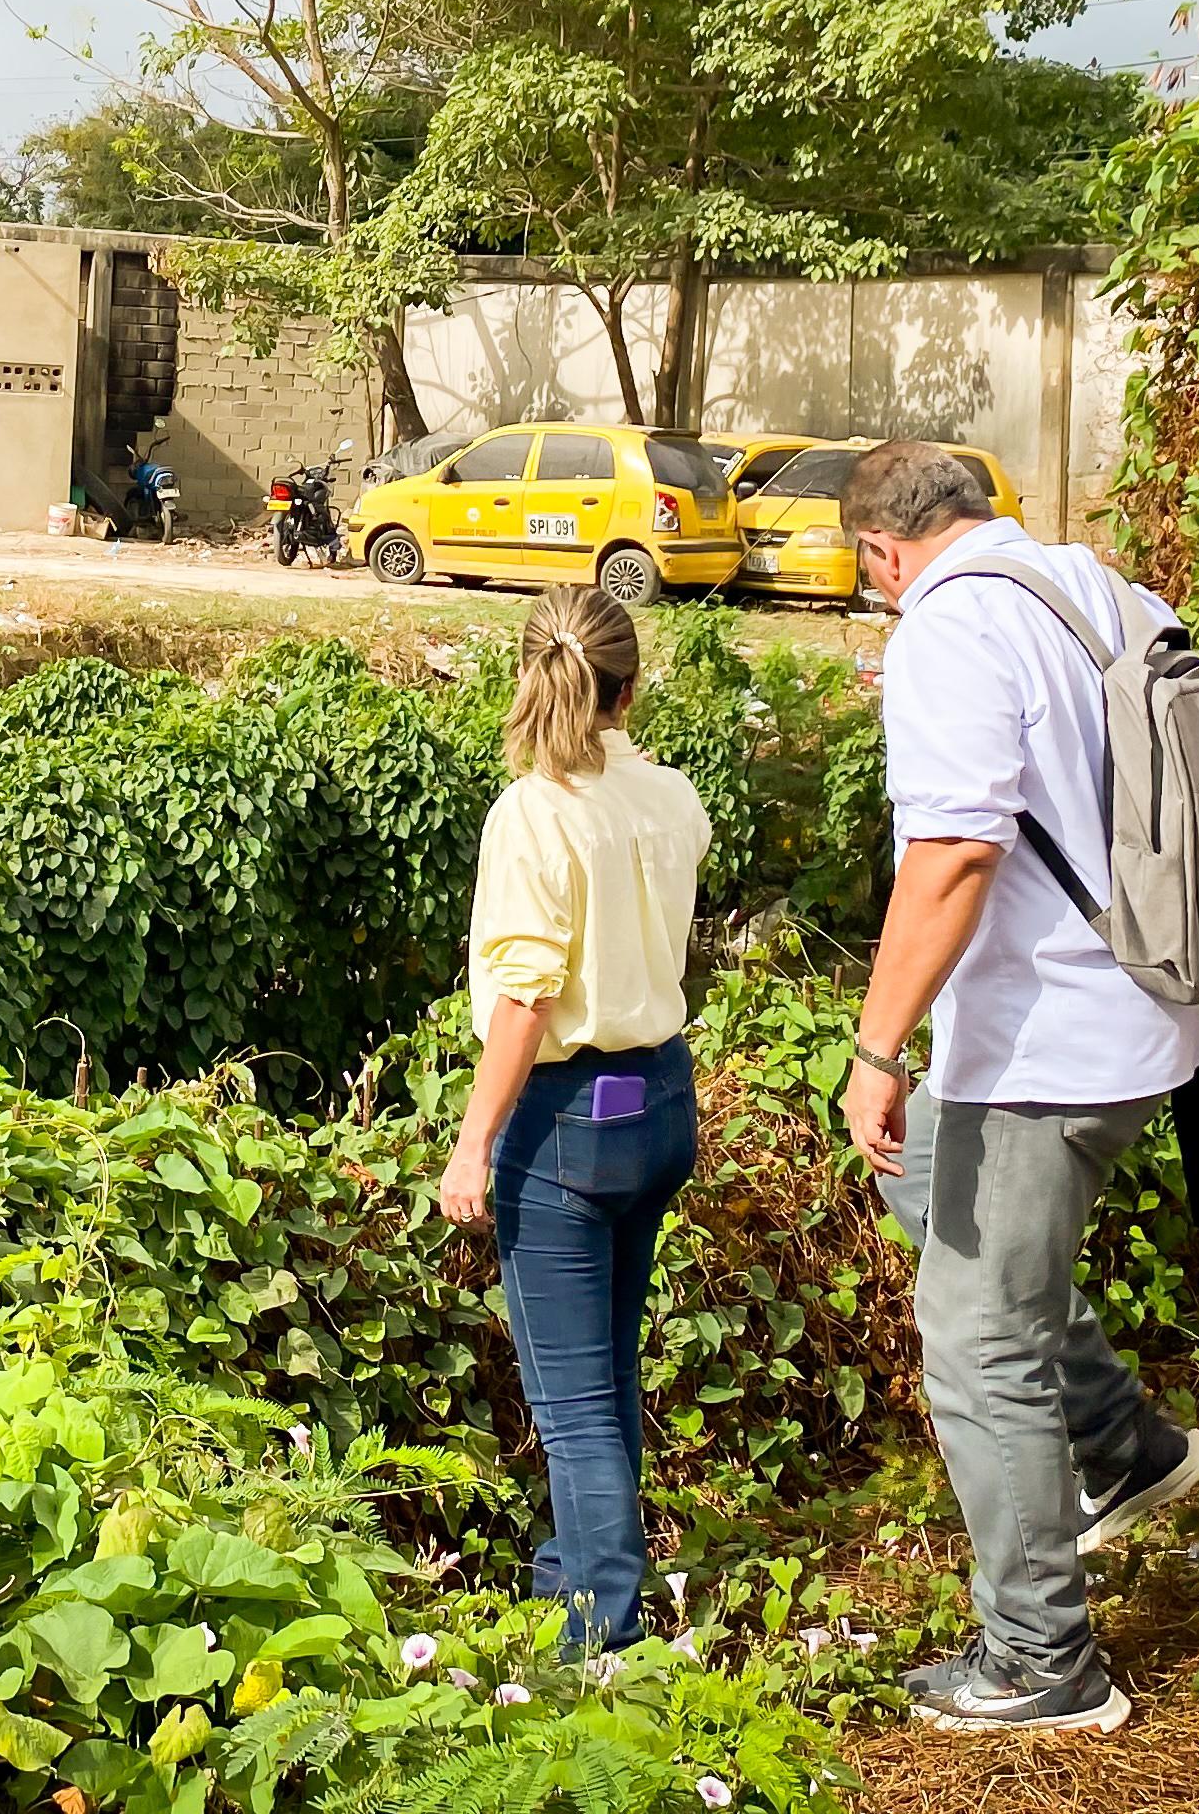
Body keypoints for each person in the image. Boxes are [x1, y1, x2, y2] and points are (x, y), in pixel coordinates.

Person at [835, 441, 1199, 1736]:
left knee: (978, 1337)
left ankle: (1043, 1661)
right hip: (1146, 1007)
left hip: (1044, 1046)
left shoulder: (949, 628)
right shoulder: (1103, 592)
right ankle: (1124, 1446)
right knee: (927, 1191)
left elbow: (952, 852)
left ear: (883, 553)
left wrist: (876, 1048)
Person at [436, 584, 709, 1649]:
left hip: (565, 1119)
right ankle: (568, 1583)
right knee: (606, 1366)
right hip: (659, 1098)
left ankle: (604, 1637)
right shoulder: (669, 794)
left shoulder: (534, 812)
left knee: (571, 1403)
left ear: (526, 674)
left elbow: (527, 997)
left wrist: (475, 1141)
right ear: (629, 690)